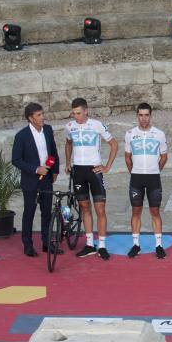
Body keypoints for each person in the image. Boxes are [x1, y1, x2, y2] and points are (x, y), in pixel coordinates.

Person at [65, 98, 118, 261]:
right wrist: (68, 162)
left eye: (79, 113)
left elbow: (114, 144)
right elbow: (68, 143)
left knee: (100, 209)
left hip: (94, 170)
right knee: (85, 208)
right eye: (73, 113)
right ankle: (89, 245)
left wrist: (107, 167)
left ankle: (101, 246)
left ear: (86, 111)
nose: (76, 116)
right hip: (78, 171)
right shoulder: (69, 127)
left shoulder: (97, 125)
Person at [11, 103, 60, 257]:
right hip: (30, 180)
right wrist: (35, 168)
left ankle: (47, 244)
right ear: (30, 118)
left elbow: (53, 150)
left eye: (42, 114)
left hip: (46, 178)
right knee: (29, 212)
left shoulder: (48, 129)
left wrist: (55, 170)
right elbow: (16, 160)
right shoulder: (21, 136)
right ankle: (28, 245)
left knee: (46, 212)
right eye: (39, 115)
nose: (42, 117)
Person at [124, 103, 168, 260]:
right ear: (137, 116)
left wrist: (155, 170)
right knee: (136, 211)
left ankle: (159, 245)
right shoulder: (130, 134)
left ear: (151, 116)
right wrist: (134, 172)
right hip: (136, 178)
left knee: (155, 212)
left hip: (153, 178)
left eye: (146, 115)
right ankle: (136, 245)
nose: (143, 118)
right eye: (141, 115)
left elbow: (164, 157)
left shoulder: (159, 134)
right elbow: (127, 157)